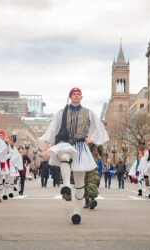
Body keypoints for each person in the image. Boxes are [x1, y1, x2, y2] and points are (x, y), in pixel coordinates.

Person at [41, 87, 109, 224]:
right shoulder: (62, 112)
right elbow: (52, 128)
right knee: (65, 156)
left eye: (78, 94)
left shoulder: (88, 113)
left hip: (81, 146)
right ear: (70, 97)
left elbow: (99, 127)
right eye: (74, 94)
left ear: (81, 97)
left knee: (79, 184)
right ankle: (66, 185)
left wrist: (92, 138)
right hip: (66, 143)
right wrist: (45, 148)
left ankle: (76, 213)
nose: (76, 96)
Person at [84, 144, 106, 209]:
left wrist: (104, 165)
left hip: (93, 165)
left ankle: (92, 200)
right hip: (83, 165)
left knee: (93, 181)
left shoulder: (97, 140)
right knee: (85, 182)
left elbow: (102, 153)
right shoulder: (82, 139)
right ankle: (87, 201)